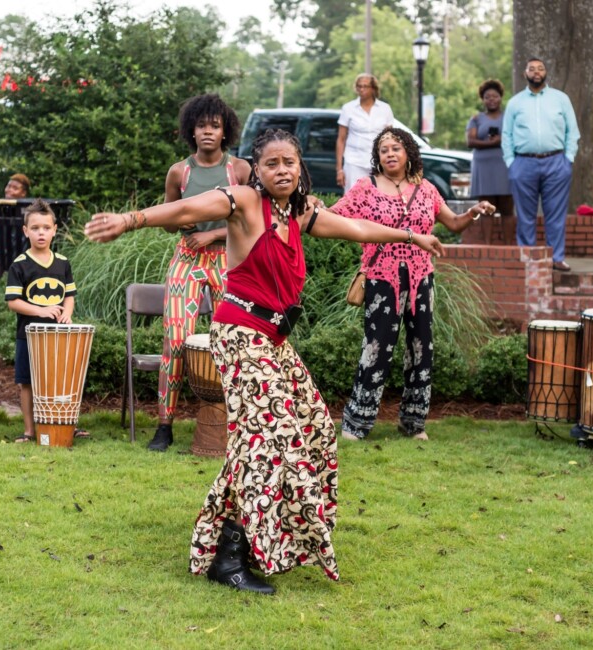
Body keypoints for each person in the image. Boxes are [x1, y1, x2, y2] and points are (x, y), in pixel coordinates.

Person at [85, 128, 445, 595]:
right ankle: (230, 556)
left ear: (300, 168)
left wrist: (412, 236)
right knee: (268, 439)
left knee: (314, 429)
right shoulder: (244, 202)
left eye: (289, 163)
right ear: (257, 169)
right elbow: (187, 210)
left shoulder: (301, 213)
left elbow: (356, 229)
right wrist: (132, 219)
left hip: (274, 340)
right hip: (240, 335)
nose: (282, 170)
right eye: (272, 163)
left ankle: (241, 540)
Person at [332, 126, 495, 441]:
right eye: (384, 150)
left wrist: (474, 212)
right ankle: (357, 423)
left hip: (422, 277)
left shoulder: (427, 190)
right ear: (377, 157)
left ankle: (414, 423)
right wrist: (310, 206)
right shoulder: (365, 188)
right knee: (377, 349)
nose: (390, 154)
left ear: (408, 153)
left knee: (421, 348)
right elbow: (333, 218)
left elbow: (454, 222)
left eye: (396, 148)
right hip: (381, 277)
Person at [147, 93, 252, 452]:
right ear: (191, 130)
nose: (208, 131)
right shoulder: (180, 171)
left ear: (225, 131)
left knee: (234, 341)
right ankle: (164, 425)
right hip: (188, 257)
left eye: (215, 125)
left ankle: (238, 426)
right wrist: (181, 217)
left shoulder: (238, 170)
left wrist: (213, 232)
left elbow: (251, 220)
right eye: (201, 125)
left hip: (228, 258)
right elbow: (165, 221)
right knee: (176, 340)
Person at [5, 199, 77, 443]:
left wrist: (67, 313)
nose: (41, 233)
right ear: (26, 231)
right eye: (35, 228)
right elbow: (13, 301)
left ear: (55, 229)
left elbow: (69, 295)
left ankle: (62, 422)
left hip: (58, 334)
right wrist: (40, 310)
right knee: (27, 382)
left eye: (46, 228)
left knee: (59, 379)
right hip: (28, 334)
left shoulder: (63, 263)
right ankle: (29, 430)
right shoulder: (20, 265)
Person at [502, 57, 580, 271]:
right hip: (523, 163)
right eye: (532, 69)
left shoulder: (560, 99)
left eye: (540, 68)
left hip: (556, 162)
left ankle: (556, 258)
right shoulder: (515, 102)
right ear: (524, 73)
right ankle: (528, 258)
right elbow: (506, 134)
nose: (536, 72)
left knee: (555, 213)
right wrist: (511, 162)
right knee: (525, 215)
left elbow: (572, 131)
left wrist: (568, 158)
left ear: (546, 73)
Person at [466, 79, 513, 244]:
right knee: (486, 208)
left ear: (501, 97)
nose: (491, 99)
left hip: (504, 166)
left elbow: (516, 138)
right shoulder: (476, 119)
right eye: (487, 97)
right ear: (483, 100)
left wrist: (502, 140)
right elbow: (470, 141)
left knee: (507, 208)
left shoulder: (509, 117)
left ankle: (509, 248)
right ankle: (487, 247)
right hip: (483, 167)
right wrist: (492, 143)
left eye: (495, 96)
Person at [336, 73, 395, 193]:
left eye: (365, 86)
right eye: (359, 86)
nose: (361, 89)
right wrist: (339, 169)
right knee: (353, 198)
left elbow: (390, 138)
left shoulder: (385, 109)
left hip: (378, 162)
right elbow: (341, 139)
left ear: (373, 88)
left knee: (380, 198)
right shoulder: (348, 108)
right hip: (354, 161)